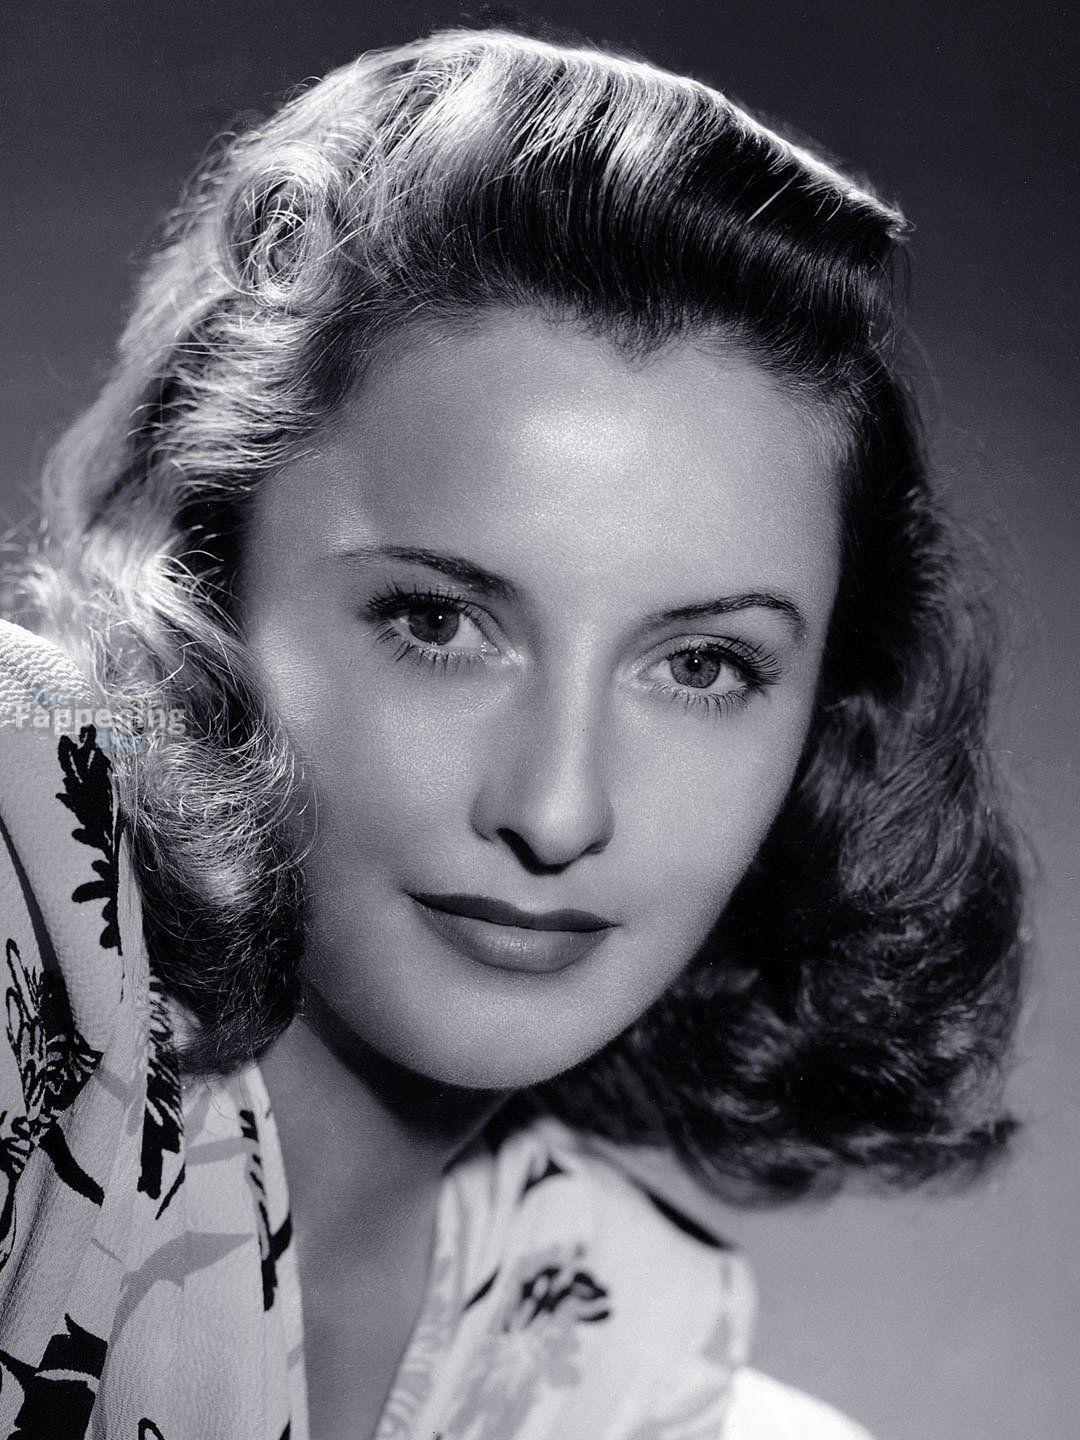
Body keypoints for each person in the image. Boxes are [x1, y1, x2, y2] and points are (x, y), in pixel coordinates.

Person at [0, 20, 1024, 1440]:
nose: (556, 811)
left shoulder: (632, 1361)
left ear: (824, 721)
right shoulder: (29, 885)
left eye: (705, 665)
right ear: (207, 573)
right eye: (438, 623)